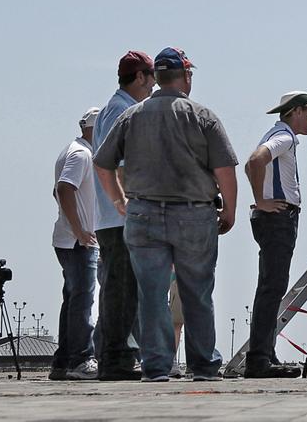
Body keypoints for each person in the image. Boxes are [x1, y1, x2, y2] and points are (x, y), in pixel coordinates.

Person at [93, 47, 239, 383]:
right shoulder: (203, 116)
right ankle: (203, 365)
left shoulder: (130, 116)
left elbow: (102, 163)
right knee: (197, 292)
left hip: (143, 214)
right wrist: (229, 211)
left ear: (156, 78)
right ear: (187, 76)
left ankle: (156, 367)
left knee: (151, 294)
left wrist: (119, 199)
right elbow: (225, 171)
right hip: (194, 214)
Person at [243, 91, 307, 378]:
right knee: (272, 288)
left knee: (270, 287)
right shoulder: (285, 137)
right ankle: (259, 359)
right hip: (278, 218)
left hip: (274, 217)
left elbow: (252, 164)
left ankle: (264, 353)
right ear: (298, 111)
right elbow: (255, 161)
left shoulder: (278, 134)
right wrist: (262, 201)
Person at [91, 50, 156, 381]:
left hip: (110, 217)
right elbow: (121, 166)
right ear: (141, 77)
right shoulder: (124, 111)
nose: (154, 84)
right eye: (152, 76)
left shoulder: (109, 109)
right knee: (122, 290)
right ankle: (116, 359)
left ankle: (113, 355)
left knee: (118, 288)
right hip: (121, 217)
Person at [49, 107, 104, 381]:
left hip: (68, 238)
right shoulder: (83, 154)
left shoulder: (70, 150)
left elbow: (58, 190)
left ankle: (63, 360)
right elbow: (64, 188)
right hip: (78, 242)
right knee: (83, 300)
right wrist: (81, 230)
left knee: (72, 299)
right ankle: (81, 359)